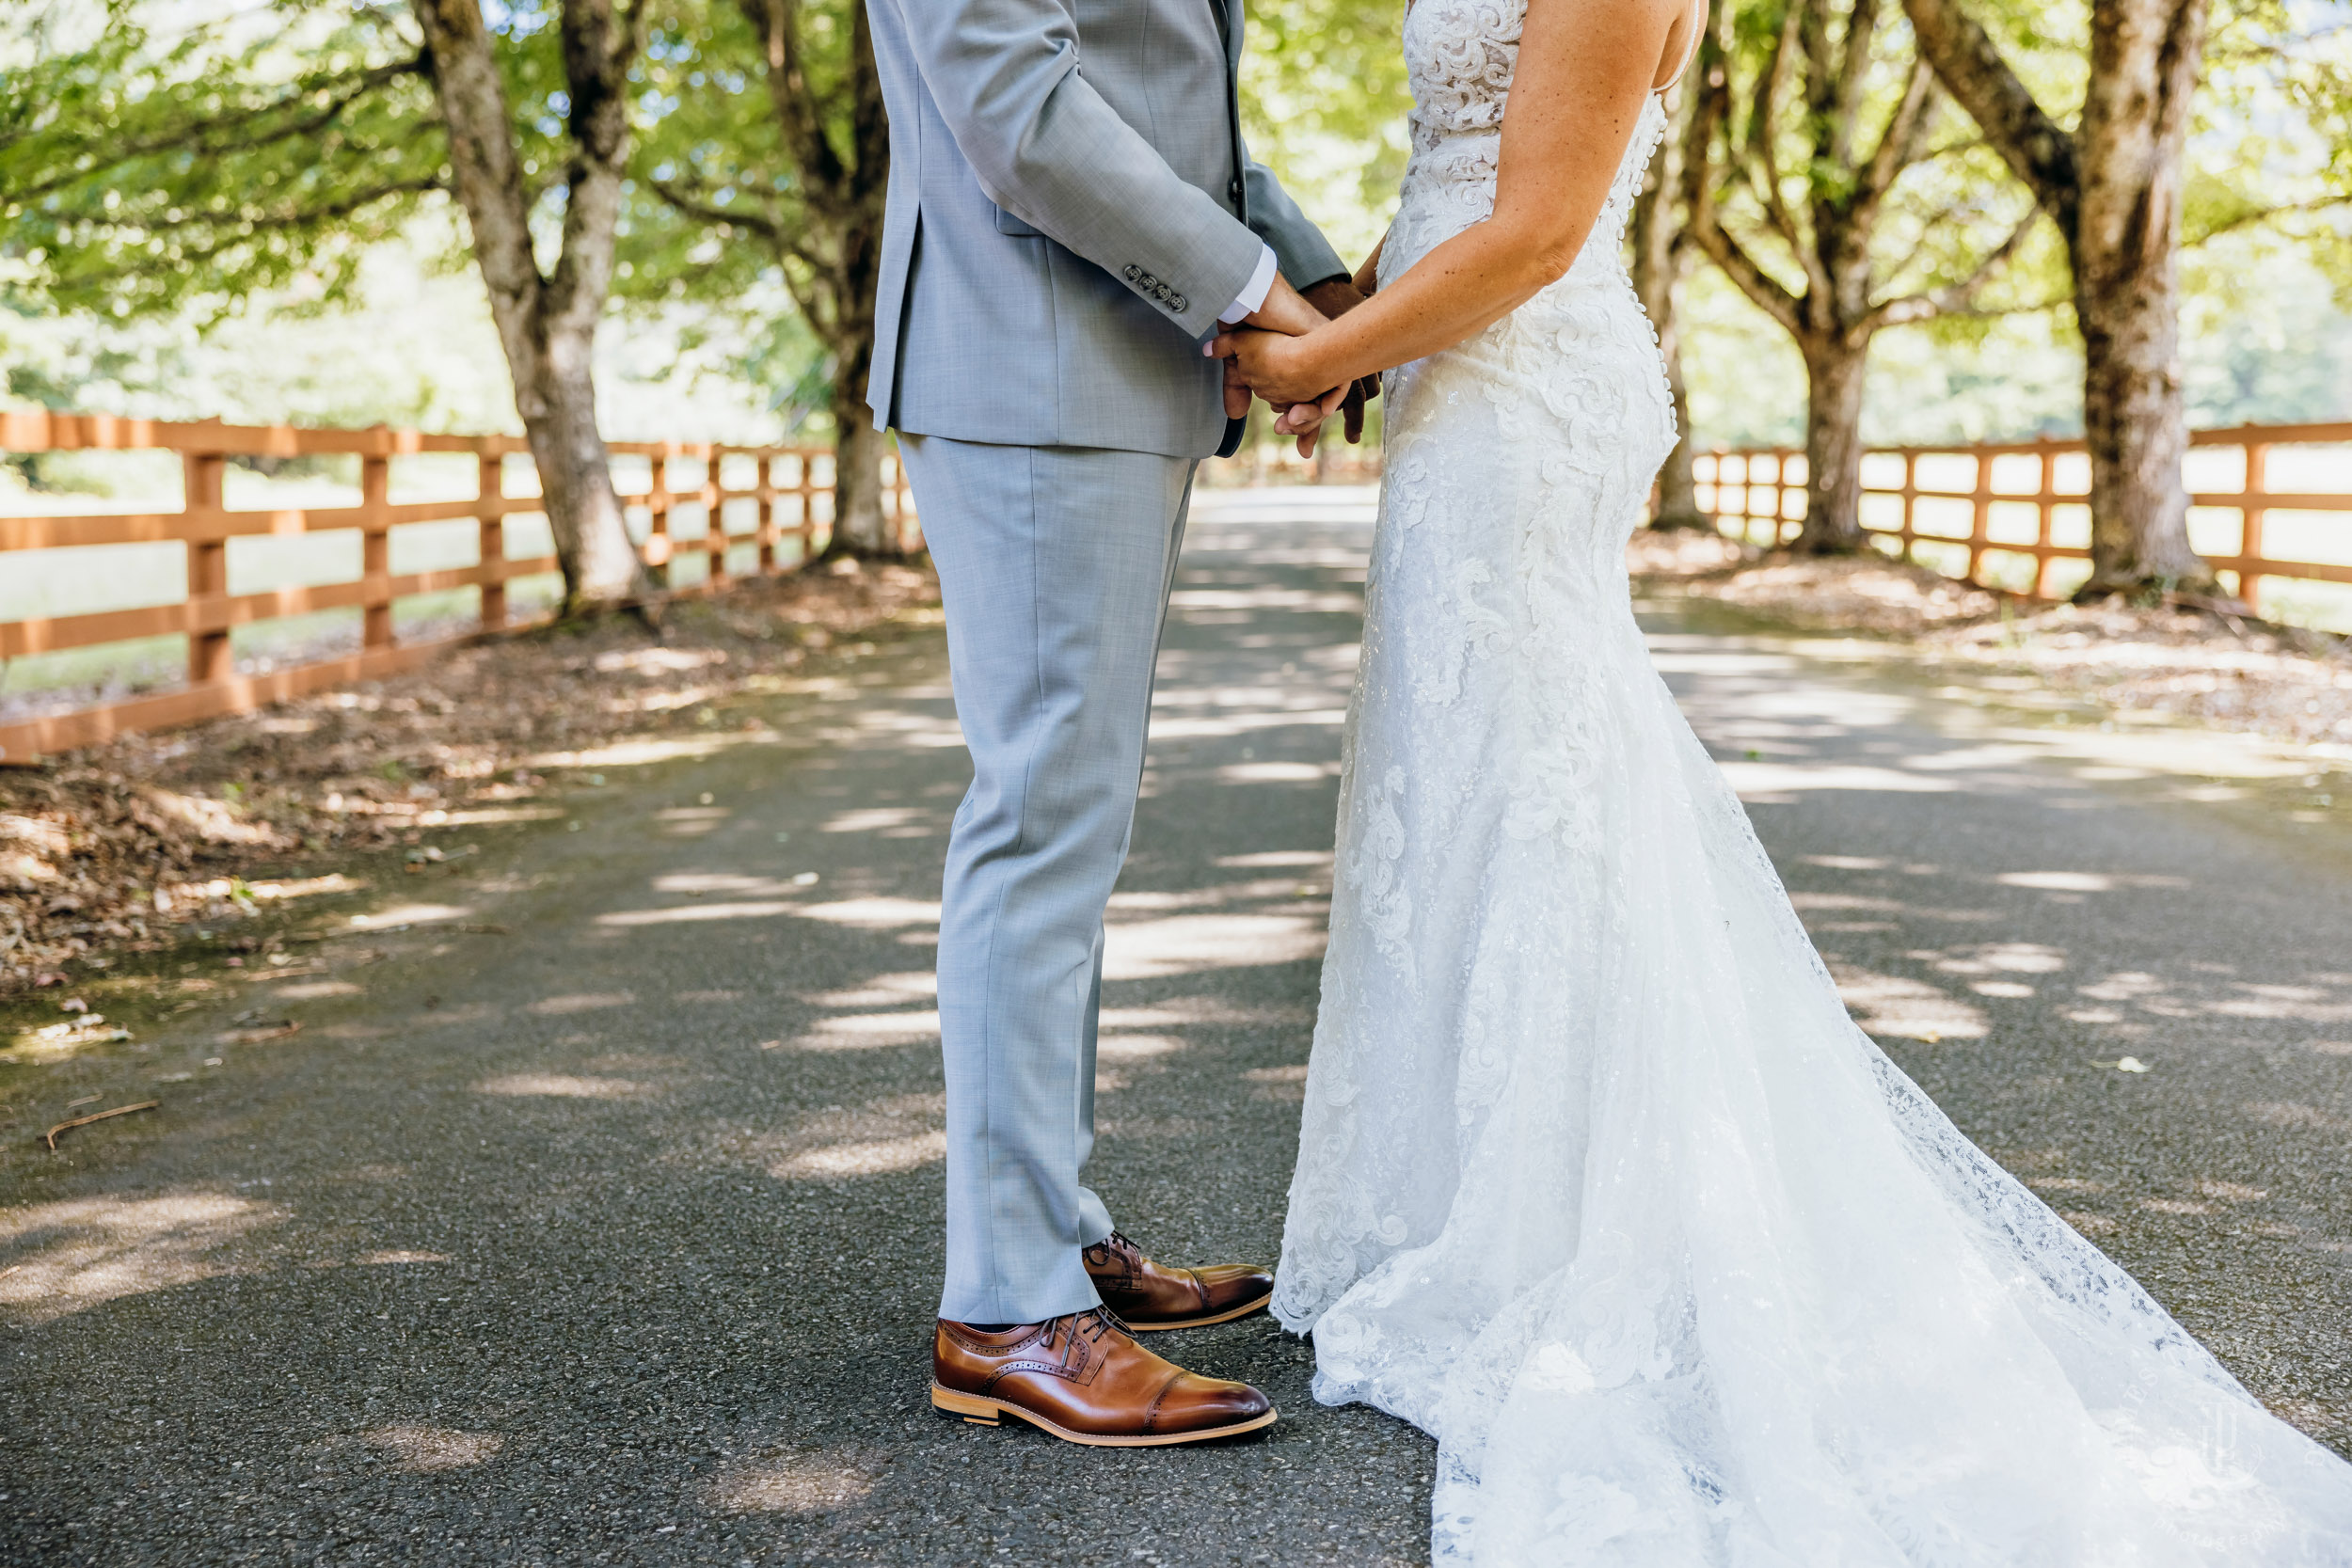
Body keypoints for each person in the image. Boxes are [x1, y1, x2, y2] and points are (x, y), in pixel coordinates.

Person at [1214, 0, 2352, 1558]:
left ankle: (1560, 1237)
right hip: (1455, 376)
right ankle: (1461, 1203)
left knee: (1547, 794)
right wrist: (1359, 336)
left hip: (1522, 379)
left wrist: (1324, 357)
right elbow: (1453, 180)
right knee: (1467, 784)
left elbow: (1539, 227)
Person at [862, 0, 1367, 1447]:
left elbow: (1164, 104)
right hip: (1034, 366)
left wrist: (1322, 288)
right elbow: (1021, 109)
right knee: (1039, 823)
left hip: (1099, 370)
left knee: (1073, 823)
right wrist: (1257, 299)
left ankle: (1054, 1234)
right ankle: (1008, 1310)